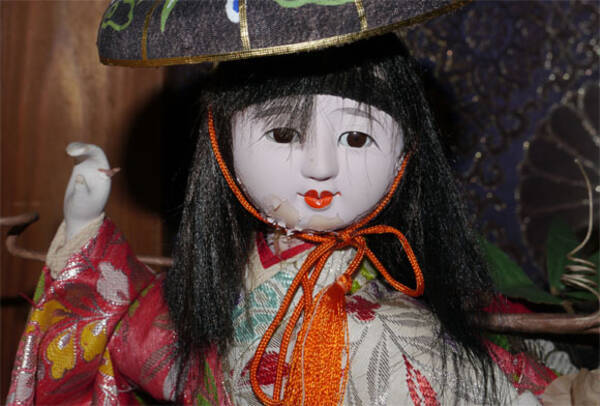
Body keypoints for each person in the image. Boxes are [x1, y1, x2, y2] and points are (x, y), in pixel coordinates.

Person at [8, 35, 551, 405]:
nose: (321, 166)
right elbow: (142, 341)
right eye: (284, 134)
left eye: (356, 137)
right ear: (221, 141)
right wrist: (84, 228)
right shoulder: (222, 291)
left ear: (406, 152)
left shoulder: (397, 322)